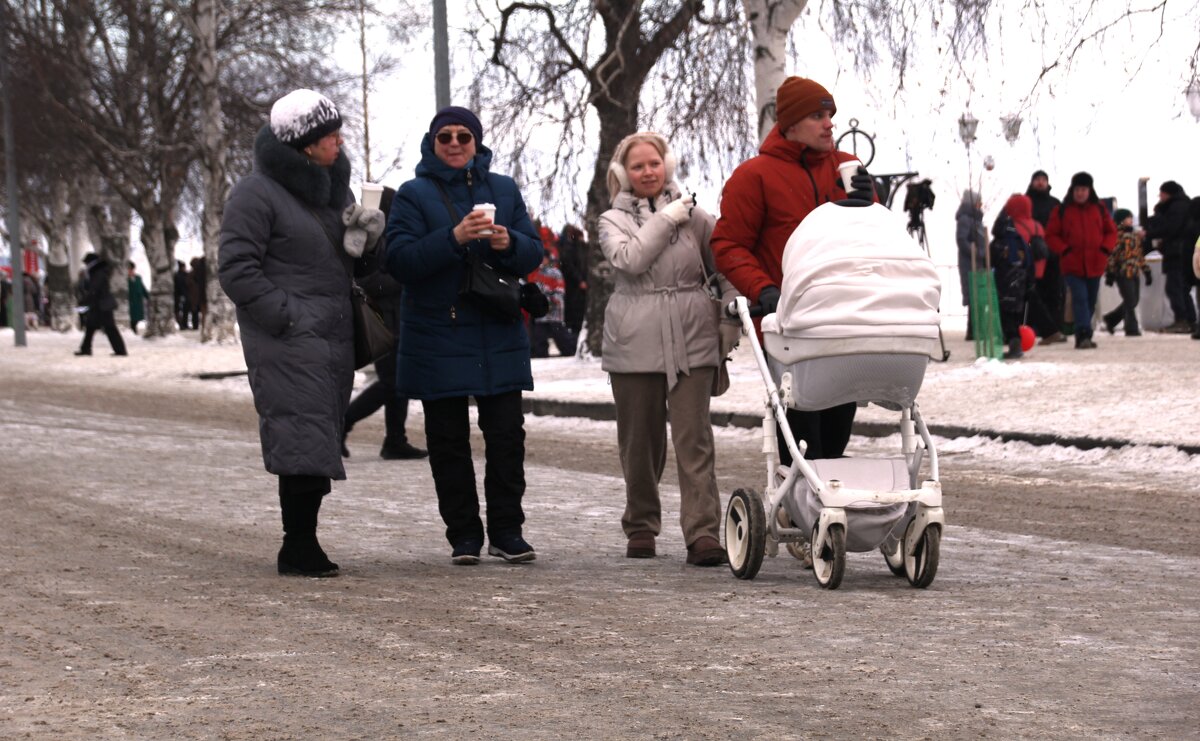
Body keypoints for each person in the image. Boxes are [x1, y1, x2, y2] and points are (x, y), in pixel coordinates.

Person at [219, 88, 384, 577]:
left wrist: (367, 240)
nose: (339, 140)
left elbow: (350, 264)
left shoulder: (335, 190)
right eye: (330, 134)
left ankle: (303, 540)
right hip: (288, 336)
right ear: (305, 143)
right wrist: (288, 316)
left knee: (318, 433)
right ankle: (298, 545)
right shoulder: (255, 192)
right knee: (300, 435)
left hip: (330, 335)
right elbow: (236, 269)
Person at [385, 106, 542, 565]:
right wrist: (453, 237)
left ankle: (508, 532)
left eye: (464, 137)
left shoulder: (504, 188)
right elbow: (400, 261)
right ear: (432, 143)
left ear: (477, 143)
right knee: (447, 441)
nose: (455, 144)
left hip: (497, 328)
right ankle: (464, 535)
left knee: (507, 438)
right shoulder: (412, 195)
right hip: (438, 330)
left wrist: (507, 242)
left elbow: (531, 252)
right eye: (445, 137)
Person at [712, 76, 872, 467]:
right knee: (801, 422)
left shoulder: (846, 168)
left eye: (830, 114)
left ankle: (829, 499)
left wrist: (871, 203)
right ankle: (798, 501)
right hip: (787, 319)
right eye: (818, 115)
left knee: (838, 423)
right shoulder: (754, 176)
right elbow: (728, 245)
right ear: (791, 123)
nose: (829, 123)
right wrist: (762, 288)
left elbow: (872, 239)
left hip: (843, 315)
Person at [598, 131, 735, 566]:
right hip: (632, 338)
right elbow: (630, 261)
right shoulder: (611, 220)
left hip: (691, 335)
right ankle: (640, 525)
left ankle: (702, 533)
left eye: (653, 163)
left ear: (667, 165)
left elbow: (727, 262)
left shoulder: (696, 217)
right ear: (623, 174)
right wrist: (665, 219)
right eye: (637, 166)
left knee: (694, 439)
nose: (647, 172)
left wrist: (732, 312)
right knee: (640, 442)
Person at [342, 186, 428, 461]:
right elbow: (364, 280)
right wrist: (403, 278)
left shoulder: (393, 237)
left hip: (398, 320)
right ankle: (345, 422)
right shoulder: (368, 239)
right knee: (392, 382)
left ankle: (394, 439)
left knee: (396, 382)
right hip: (381, 321)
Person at [1045, 171, 1117, 349]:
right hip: (1072, 264)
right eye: (1078, 189)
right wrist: (1065, 250)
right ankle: (1083, 334)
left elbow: (1111, 231)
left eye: (1084, 189)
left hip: (1095, 263)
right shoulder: (1062, 210)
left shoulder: (1099, 209)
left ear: (1089, 190)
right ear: (1073, 190)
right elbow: (1051, 235)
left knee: (1090, 300)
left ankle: (1084, 332)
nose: (1080, 193)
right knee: (1080, 298)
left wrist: (1104, 249)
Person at [1142, 181, 1195, 334]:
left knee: (1175, 288)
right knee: (1181, 288)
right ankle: (1190, 320)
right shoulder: (1182, 205)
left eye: (1162, 193)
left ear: (1168, 193)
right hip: (1181, 252)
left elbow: (1171, 228)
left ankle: (1182, 320)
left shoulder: (1176, 207)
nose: (1160, 197)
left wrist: (1149, 233)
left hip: (1176, 253)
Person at [989, 196, 1038, 359]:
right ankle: (1015, 344)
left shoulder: (997, 243)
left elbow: (989, 262)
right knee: (1015, 317)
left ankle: (1014, 345)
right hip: (1019, 286)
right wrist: (1030, 283)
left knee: (1006, 318)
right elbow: (1029, 263)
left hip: (1003, 285)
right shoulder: (1021, 241)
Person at [1025, 171, 1067, 344]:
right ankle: (1035, 329)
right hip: (1032, 254)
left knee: (1054, 292)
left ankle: (1054, 329)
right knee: (1034, 292)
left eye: (1043, 180)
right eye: (1038, 180)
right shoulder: (1026, 202)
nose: (1041, 183)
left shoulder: (1055, 203)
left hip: (1053, 255)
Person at [1102, 208, 1151, 336]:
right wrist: (1110, 273)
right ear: (1122, 221)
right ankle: (1131, 328)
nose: (1131, 220)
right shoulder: (1117, 235)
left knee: (1134, 300)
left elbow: (1139, 254)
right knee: (1130, 300)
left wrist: (1146, 270)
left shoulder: (1134, 236)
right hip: (1123, 272)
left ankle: (1111, 319)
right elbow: (1113, 255)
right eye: (1128, 218)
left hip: (1134, 271)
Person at [526, 245, 577, 358]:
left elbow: (559, 290)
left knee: (558, 331)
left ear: (547, 258)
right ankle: (540, 353)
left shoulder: (555, 272)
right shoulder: (536, 273)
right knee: (540, 333)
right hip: (541, 308)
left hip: (554, 308)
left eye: (543, 258)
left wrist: (549, 298)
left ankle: (569, 350)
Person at [75, 253, 128, 356]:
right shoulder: (98, 271)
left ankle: (120, 350)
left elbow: (94, 290)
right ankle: (86, 348)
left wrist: (83, 301)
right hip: (100, 305)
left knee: (109, 328)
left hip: (102, 306)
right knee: (91, 327)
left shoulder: (97, 273)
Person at [955, 189, 988, 341]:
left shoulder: (977, 220)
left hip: (978, 262)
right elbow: (962, 240)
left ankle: (975, 329)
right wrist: (976, 252)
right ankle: (972, 330)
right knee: (973, 294)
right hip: (970, 263)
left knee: (978, 294)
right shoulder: (965, 219)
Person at [558, 223, 588, 336]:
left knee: (574, 313)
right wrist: (580, 280)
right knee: (575, 312)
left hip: (574, 284)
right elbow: (569, 266)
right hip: (574, 285)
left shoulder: (570, 247)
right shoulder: (571, 248)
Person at [127, 261, 149, 334]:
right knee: (131, 319)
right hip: (129, 302)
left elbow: (143, 289)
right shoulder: (125, 279)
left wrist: (148, 297)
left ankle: (134, 330)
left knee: (136, 319)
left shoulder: (138, 278)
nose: (130, 271)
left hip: (137, 301)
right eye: (129, 269)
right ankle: (132, 331)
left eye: (131, 269)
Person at [187, 256, 207, 331]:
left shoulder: (192, 274)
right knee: (203, 311)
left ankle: (201, 326)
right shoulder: (203, 271)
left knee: (200, 311)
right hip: (202, 293)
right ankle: (203, 326)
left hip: (198, 294)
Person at [174, 260, 191, 329]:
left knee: (185, 310)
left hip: (183, 295)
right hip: (180, 295)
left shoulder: (181, 275)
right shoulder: (179, 275)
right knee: (181, 311)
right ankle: (182, 324)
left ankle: (184, 324)